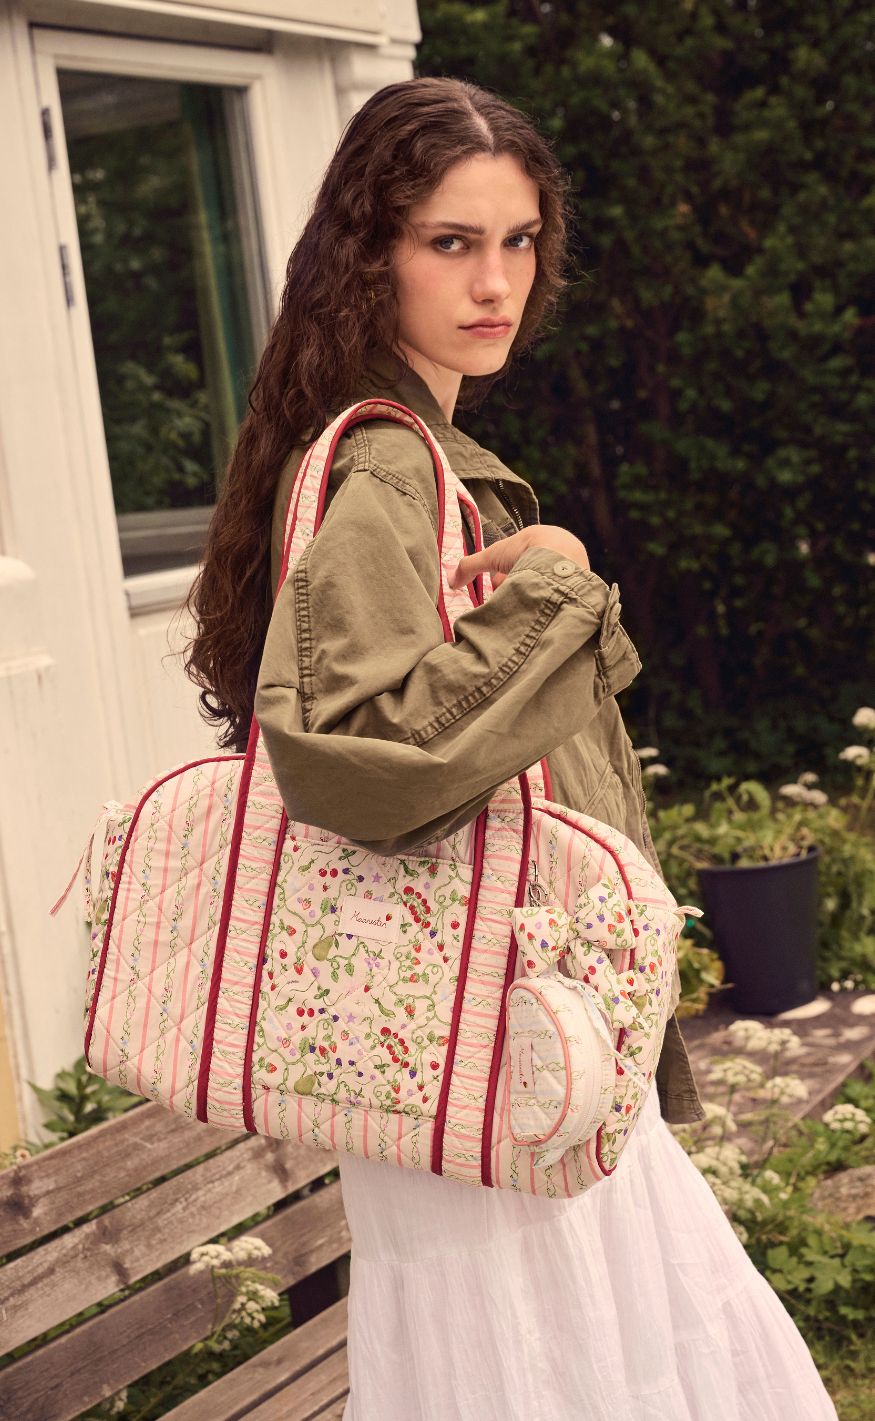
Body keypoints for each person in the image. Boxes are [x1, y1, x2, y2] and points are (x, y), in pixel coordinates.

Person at [185, 75, 839, 1421]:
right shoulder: (383, 468)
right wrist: (553, 589)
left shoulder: (412, 445)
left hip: (493, 1024)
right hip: (486, 1029)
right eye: (451, 242)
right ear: (370, 254)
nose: (496, 283)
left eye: (519, 240)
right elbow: (355, 753)